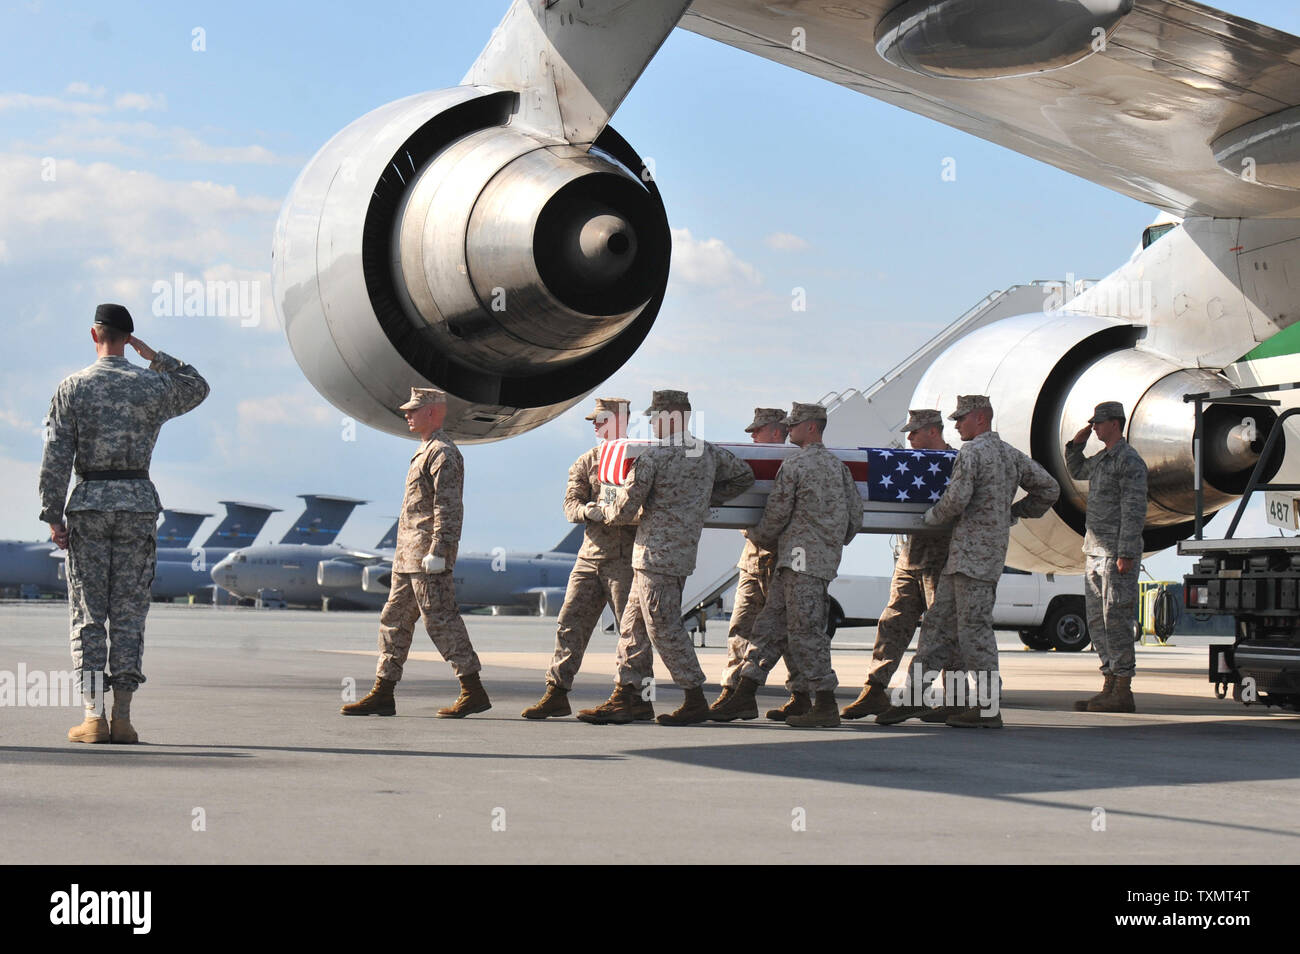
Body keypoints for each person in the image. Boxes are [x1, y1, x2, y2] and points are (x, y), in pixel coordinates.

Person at [39, 303, 209, 744]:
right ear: (127, 339)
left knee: (89, 613)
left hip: (90, 505)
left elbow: (55, 457)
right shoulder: (151, 384)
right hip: (136, 505)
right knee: (130, 612)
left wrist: (52, 515)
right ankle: (124, 717)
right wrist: (155, 357)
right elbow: (198, 386)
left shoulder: (73, 387)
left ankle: (93, 717)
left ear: (94, 335)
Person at [876, 395, 1059, 729]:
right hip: (977, 558)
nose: (956, 425)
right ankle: (914, 695)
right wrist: (1013, 513)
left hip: (970, 559)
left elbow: (956, 500)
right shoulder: (1011, 455)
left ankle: (988, 708)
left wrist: (930, 518)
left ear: (980, 418)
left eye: (961, 419)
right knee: (937, 624)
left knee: (974, 634)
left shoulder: (973, 452)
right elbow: (1048, 489)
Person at [577, 390, 755, 726]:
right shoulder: (707, 452)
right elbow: (744, 475)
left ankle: (694, 696)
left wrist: (599, 512)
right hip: (676, 553)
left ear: (672, 416)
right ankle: (628, 696)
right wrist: (704, 499)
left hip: (653, 555)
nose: (653, 423)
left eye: (656, 416)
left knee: (663, 627)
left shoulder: (655, 457)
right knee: (633, 626)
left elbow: (626, 508)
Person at [342, 387, 489, 718]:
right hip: (407, 557)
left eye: (413, 410)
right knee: (393, 620)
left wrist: (439, 549)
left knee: (440, 620)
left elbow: (448, 507)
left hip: (427, 557)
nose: (406, 414)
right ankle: (383, 692)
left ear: (433, 413)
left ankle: (473, 690)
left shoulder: (444, 453)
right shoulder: (424, 451)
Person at [731, 402, 864, 728]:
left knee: (806, 633)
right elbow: (855, 516)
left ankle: (826, 704)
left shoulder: (796, 466)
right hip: (811, 561)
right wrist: (831, 544)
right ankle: (744, 693)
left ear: (812, 427)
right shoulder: (839, 468)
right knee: (770, 625)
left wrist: (755, 534)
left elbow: (776, 515)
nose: (789, 430)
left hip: (798, 560)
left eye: (794, 425)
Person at [522, 397, 637, 719]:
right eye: (595, 421)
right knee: (570, 623)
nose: (596, 426)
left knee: (631, 632)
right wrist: (588, 510)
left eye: (601, 420)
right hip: (589, 557)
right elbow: (570, 505)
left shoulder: (639, 457)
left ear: (619, 420)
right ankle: (557, 692)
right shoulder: (588, 461)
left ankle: (632, 696)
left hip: (626, 559)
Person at [842, 409, 953, 720]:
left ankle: (952, 698)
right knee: (891, 624)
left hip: (941, 560)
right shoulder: (908, 464)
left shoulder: (956, 464)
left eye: (915, 432)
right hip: (910, 557)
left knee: (941, 632)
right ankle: (874, 689)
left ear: (933, 431)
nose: (910, 438)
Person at [708, 407, 808, 722]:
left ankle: (803, 694)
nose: (751, 436)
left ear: (776, 432)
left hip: (783, 558)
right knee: (741, 625)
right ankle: (733, 690)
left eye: (758, 430)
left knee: (786, 630)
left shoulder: (796, 464)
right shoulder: (751, 463)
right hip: (753, 557)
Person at [1065, 401, 1149, 713]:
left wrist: (1126, 552)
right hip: (1095, 551)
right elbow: (1076, 469)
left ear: (1115, 423)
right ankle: (1109, 682)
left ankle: (1123, 688)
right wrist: (1077, 442)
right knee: (1097, 621)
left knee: (1116, 619)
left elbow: (1134, 508)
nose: (1096, 427)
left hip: (1116, 553)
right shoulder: (1103, 459)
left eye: (1099, 423)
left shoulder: (1129, 461)